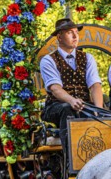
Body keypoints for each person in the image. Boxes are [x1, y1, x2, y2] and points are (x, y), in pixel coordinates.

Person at [40, 18, 103, 153]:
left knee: (104, 111)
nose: (75, 36)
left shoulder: (87, 58)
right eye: (70, 33)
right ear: (59, 37)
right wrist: (71, 100)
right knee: (68, 109)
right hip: (56, 106)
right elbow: (55, 89)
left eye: (76, 32)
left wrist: (99, 111)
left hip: (83, 105)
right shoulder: (48, 60)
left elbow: (95, 85)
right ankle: (72, 162)